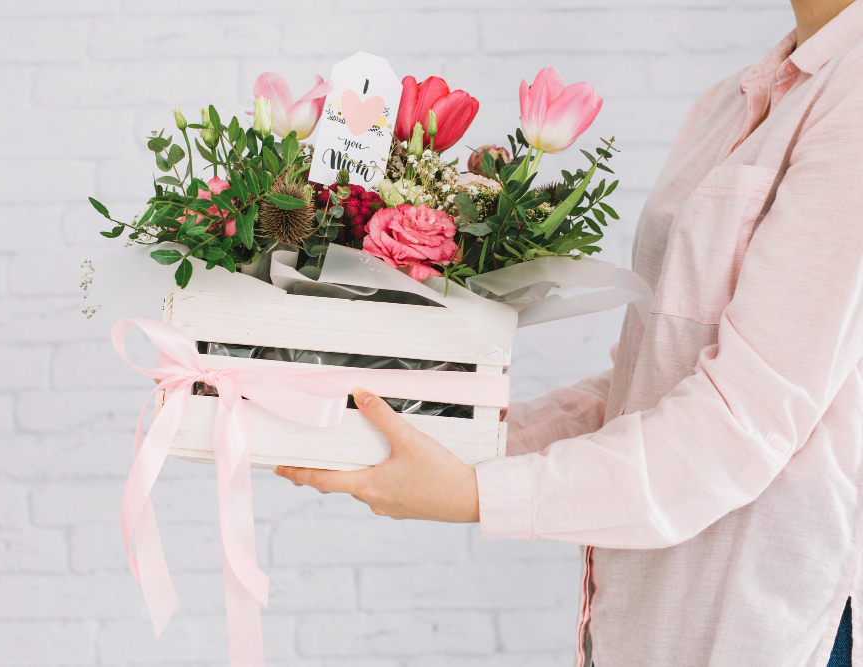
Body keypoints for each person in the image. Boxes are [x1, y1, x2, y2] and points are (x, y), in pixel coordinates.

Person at [276, 0, 863, 664]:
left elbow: (741, 422)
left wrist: (477, 493)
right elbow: (648, 383)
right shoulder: (733, 100)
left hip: (754, 625)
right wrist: (441, 434)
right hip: (639, 618)